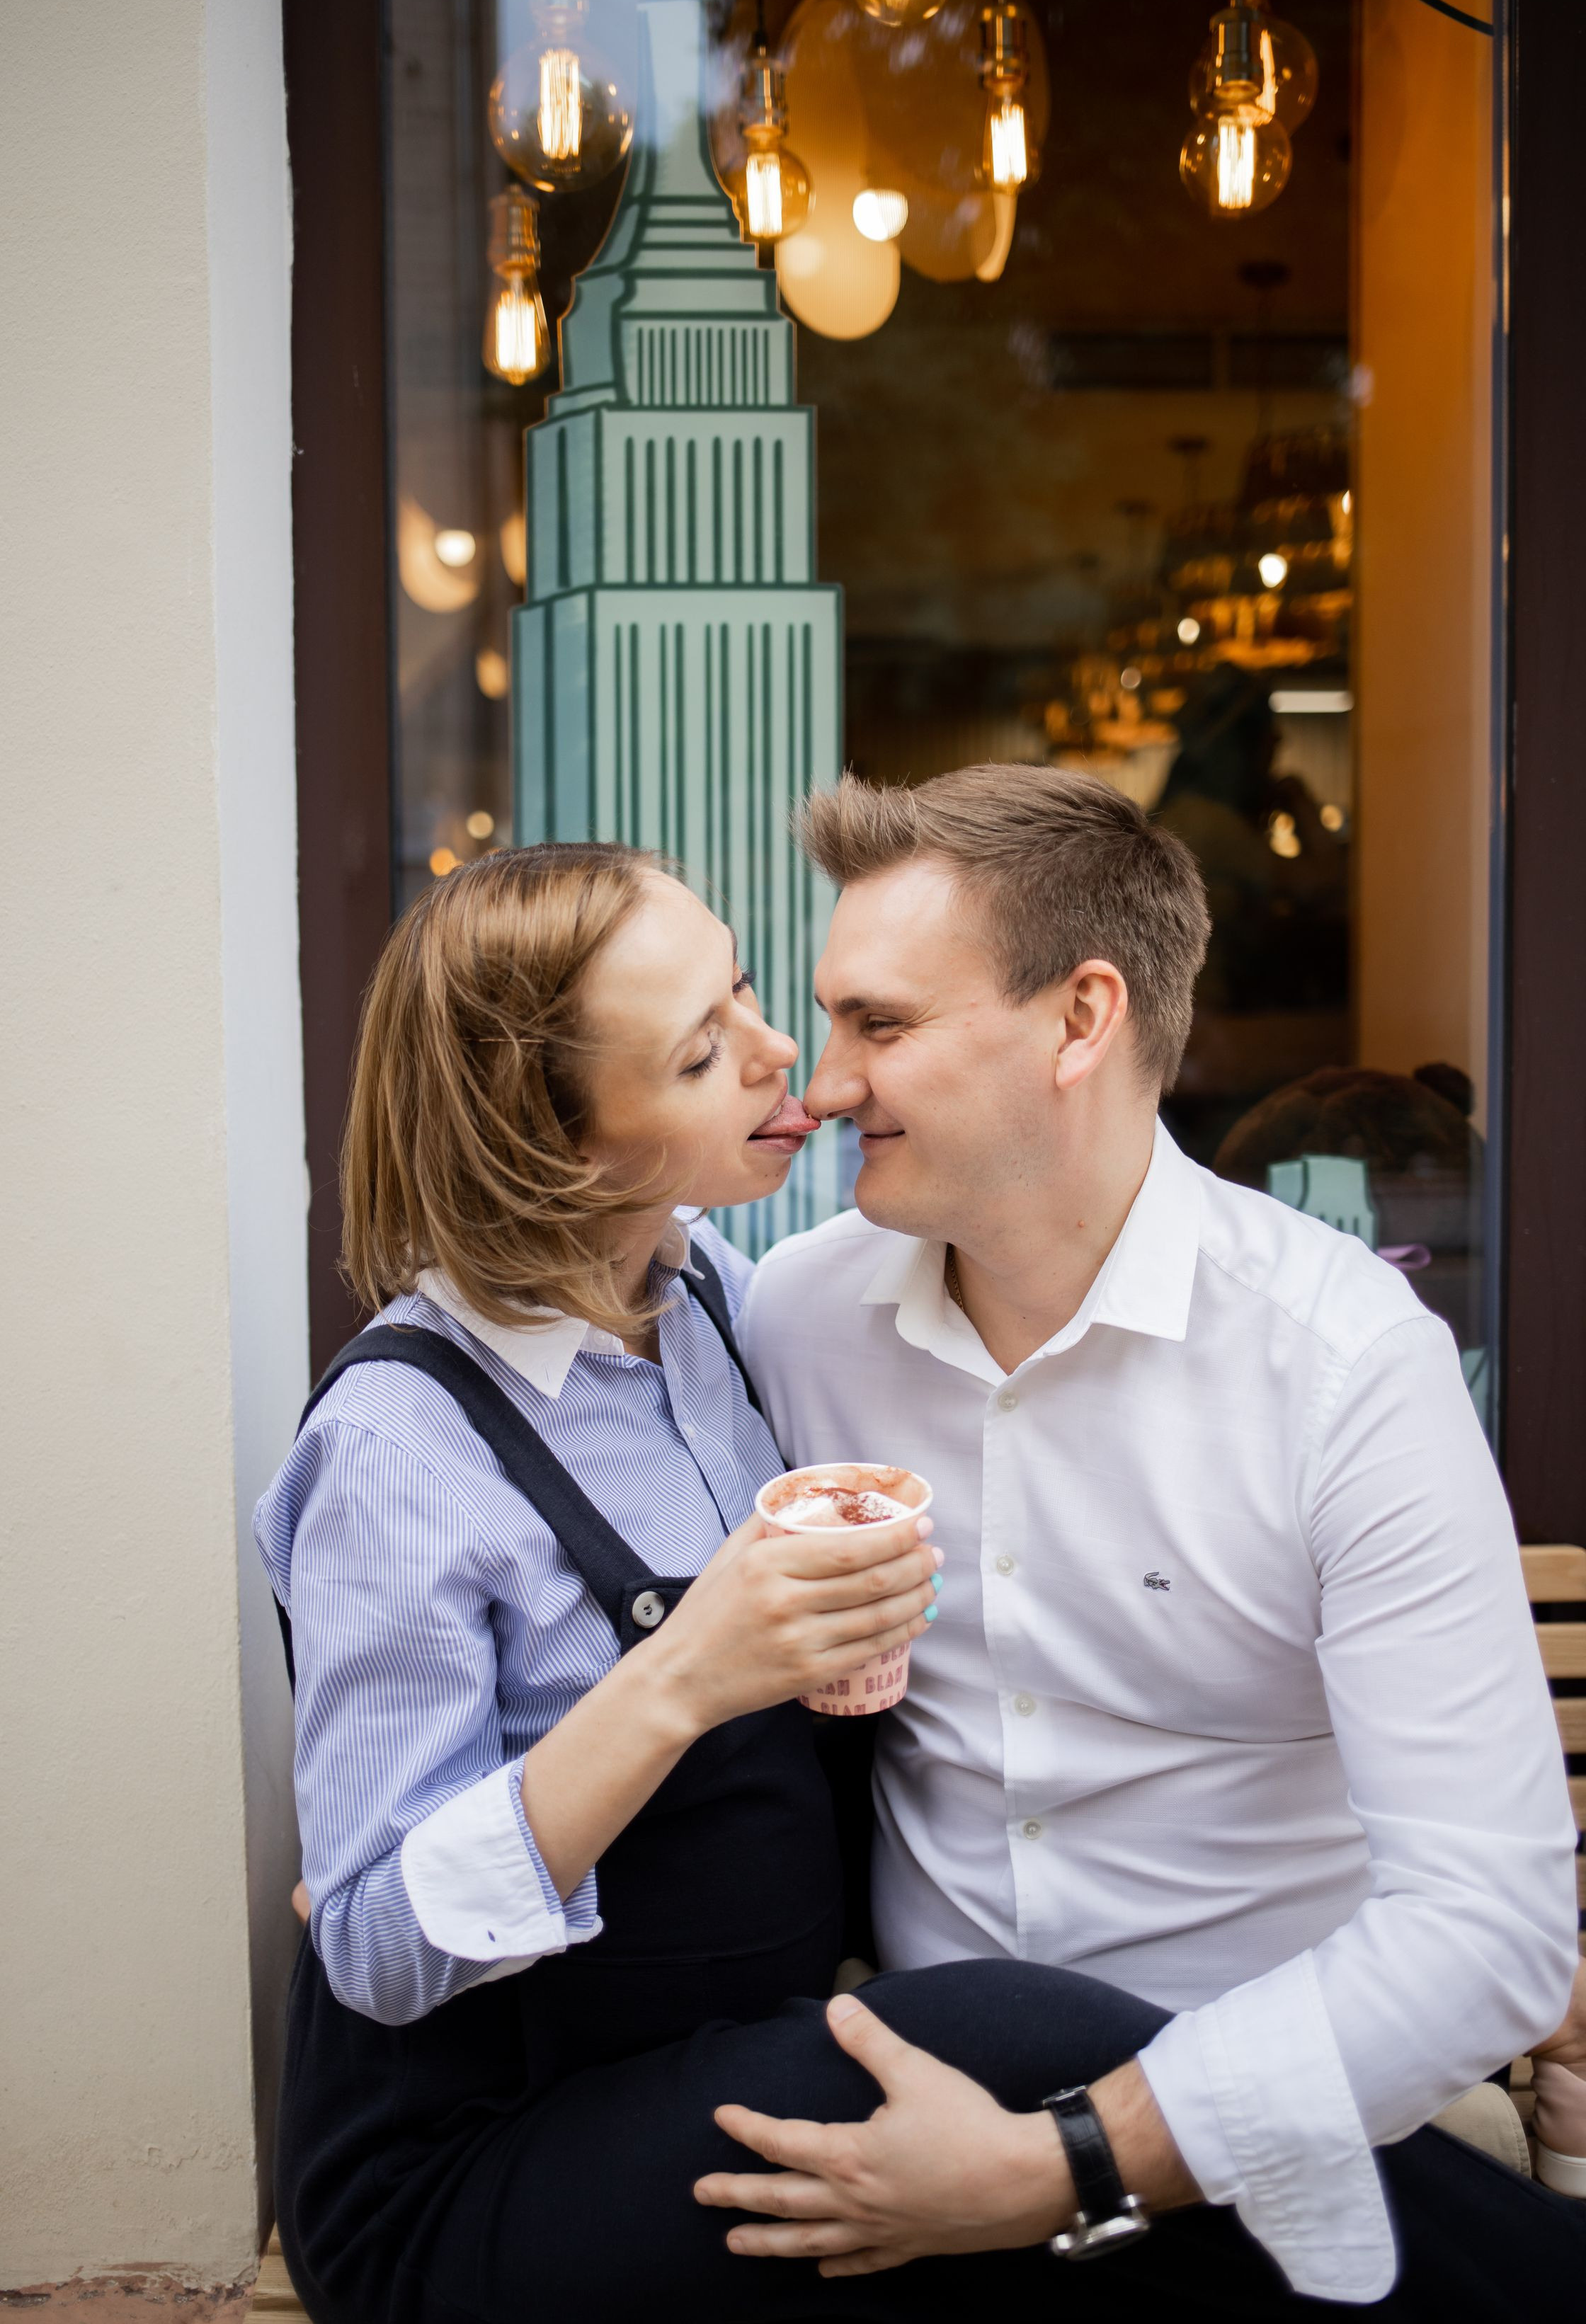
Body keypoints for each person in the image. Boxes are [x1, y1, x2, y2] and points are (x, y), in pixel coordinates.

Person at [260, 841, 1340, 2324]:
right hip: (477, 2169)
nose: (796, 1065)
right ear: (563, 1146)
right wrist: (683, 1672)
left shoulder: (718, 1308)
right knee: (1015, 2035)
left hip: (709, 2061)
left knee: (1076, 2184)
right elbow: (376, 1945)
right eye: (705, 1053)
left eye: (745, 990)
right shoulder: (398, 1449)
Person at [724, 765, 1585, 2315]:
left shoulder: (1338, 1360)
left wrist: (1070, 2162)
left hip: (1306, 2096)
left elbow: (1489, 1934)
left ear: (1080, 1019)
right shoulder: (793, 1320)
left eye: (883, 1024)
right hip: (918, 2096)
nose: (830, 1082)